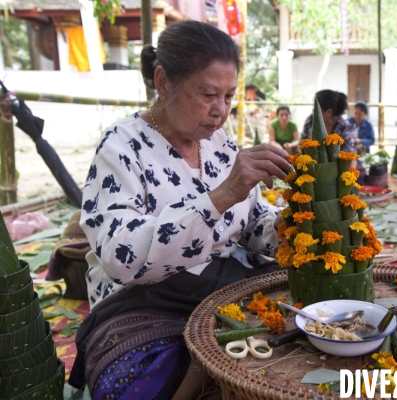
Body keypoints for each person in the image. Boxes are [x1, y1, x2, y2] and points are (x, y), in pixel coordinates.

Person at [69, 21, 290, 400]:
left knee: (306, 327)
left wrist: (286, 228)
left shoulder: (220, 145)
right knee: (132, 385)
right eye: (207, 94)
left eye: (229, 96)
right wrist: (220, 196)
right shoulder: (122, 147)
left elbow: (251, 225)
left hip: (225, 287)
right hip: (146, 302)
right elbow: (121, 255)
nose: (220, 111)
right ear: (164, 82)